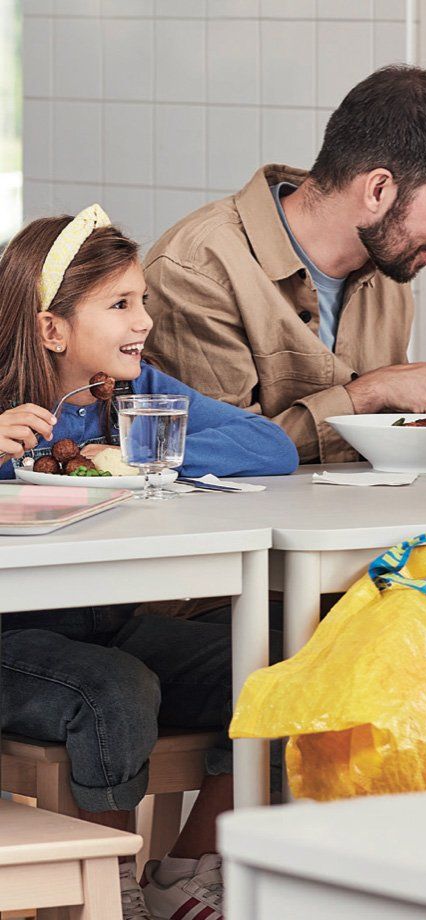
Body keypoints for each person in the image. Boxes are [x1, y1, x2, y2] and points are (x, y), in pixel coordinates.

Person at [0, 206, 298, 920]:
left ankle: (187, 873)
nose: (144, 324)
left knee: (281, 660)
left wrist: (140, 447)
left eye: (145, 304)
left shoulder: (133, 397)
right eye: (121, 305)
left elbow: (272, 449)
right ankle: (114, 892)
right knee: (115, 691)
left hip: (107, 623)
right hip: (13, 644)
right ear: (52, 328)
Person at [143, 65, 426, 464]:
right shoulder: (197, 269)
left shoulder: (388, 262)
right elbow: (212, 452)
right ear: (378, 189)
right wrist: (370, 393)